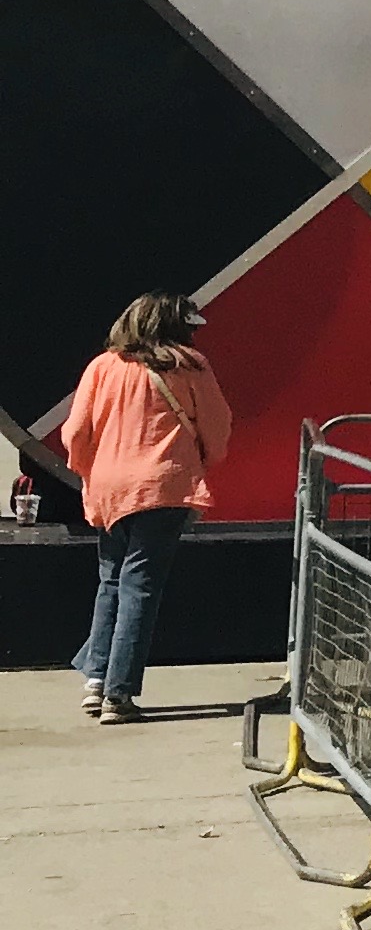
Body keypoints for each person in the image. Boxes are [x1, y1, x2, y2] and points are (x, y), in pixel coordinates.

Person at [55, 292, 233, 721]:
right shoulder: (190, 367)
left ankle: (95, 680)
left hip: (109, 487)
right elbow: (218, 426)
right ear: (175, 325)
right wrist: (202, 459)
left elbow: (75, 431)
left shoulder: (102, 366)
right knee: (140, 585)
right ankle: (119, 694)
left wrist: (88, 472)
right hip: (162, 487)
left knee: (110, 580)